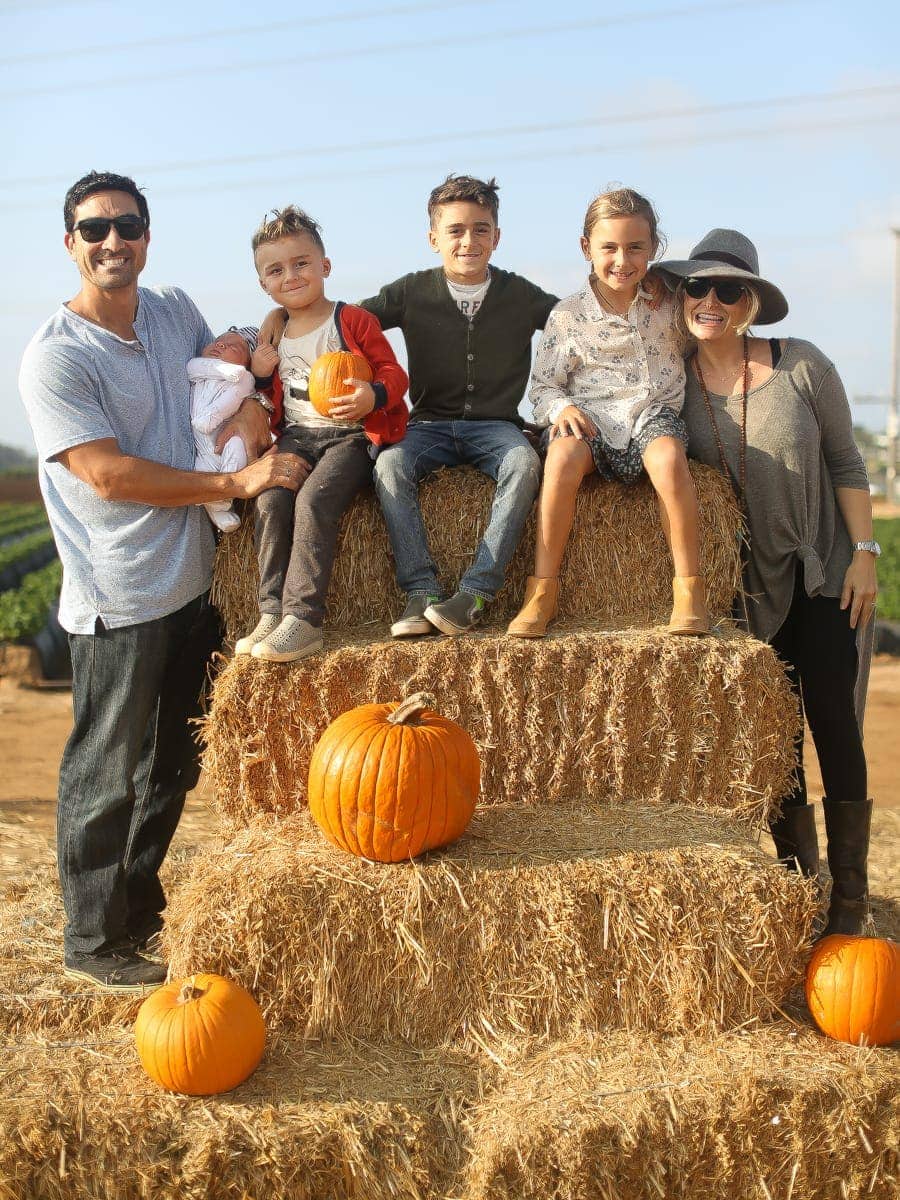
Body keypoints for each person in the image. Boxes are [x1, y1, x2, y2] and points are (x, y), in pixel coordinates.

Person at [18, 171, 306, 992]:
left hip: (194, 587)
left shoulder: (175, 310)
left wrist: (251, 410)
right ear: (70, 244)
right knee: (106, 771)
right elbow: (106, 475)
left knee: (172, 766)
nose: (113, 240)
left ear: (147, 235)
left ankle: (137, 910)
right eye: (94, 228)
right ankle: (91, 940)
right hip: (121, 595)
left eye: (128, 225)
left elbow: (231, 367)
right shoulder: (57, 358)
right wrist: (233, 486)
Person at [657, 228, 877, 936]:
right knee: (776, 745)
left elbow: (847, 463)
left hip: (824, 575)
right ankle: (800, 892)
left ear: (750, 301)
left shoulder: (802, 365)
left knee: (836, 730)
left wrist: (866, 551)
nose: (710, 300)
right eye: (698, 286)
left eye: (728, 289)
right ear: (682, 295)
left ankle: (849, 902)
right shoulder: (671, 380)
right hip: (745, 593)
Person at [359, 174, 558, 636]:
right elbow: (346, 321)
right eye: (455, 230)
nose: (469, 240)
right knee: (389, 466)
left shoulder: (520, 294)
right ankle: (420, 590)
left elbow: (578, 324)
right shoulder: (410, 291)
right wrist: (273, 321)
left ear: (497, 236)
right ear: (433, 239)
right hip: (427, 426)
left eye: (481, 229)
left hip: (496, 427)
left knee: (525, 464)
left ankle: (475, 592)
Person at [508, 187, 710, 639]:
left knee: (668, 459)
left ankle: (689, 591)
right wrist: (562, 408)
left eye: (636, 248)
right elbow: (542, 386)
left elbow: (707, 334)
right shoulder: (567, 317)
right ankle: (542, 591)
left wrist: (672, 280)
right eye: (609, 248)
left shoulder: (670, 305)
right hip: (592, 421)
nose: (623, 260)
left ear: (654, 249)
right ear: (587, 249)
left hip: (650, 414)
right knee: (559, 460)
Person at [236, 206, 409, 662]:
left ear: (325, 267)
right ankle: (270, 610)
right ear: (264, 283)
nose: (290, 276)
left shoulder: (351, 321)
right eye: (276, 270)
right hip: (296, 436)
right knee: (271, 499)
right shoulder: (272, 333)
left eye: (301, 264)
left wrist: (374, 394)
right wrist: (258, 373)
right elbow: (266, 394)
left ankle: (303, 619)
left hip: (348, 436)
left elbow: (393, 371)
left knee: (314, 501)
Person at [190, 328, 265, 533]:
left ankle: (226, 490)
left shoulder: (244, 379)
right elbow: (193, 366)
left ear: (247, 361)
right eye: (219, 341)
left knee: (237, 446)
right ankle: (219, 511)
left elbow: (231, 400)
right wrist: (222, 370)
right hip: (201, 449)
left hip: (223, 437)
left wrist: (212, 416)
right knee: (200, 473)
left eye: (233, 346)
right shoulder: (199, 369)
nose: (221, 345)